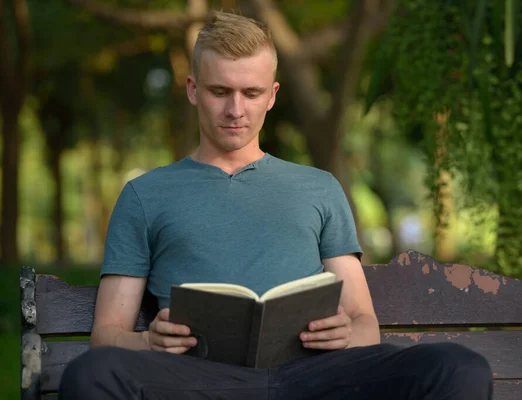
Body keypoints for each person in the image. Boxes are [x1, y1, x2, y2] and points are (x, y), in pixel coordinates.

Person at [59, 10, 493, 400]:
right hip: (198, 381)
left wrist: (346, 333)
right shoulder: (144, 195)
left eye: (251, 92)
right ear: (192, 90)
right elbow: (108, 335)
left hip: (315, 377)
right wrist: (148, 342)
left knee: (459, 368)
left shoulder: (319, 188)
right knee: (92, 375)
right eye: (219, 91)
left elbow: (364, 324)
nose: (235, 110)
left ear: (272, 94)